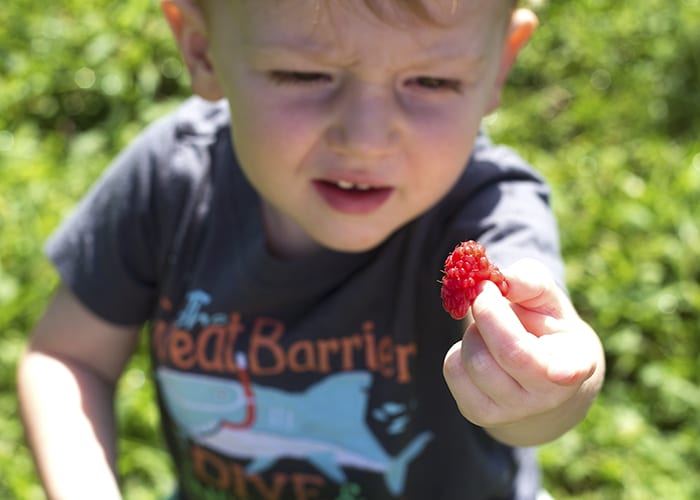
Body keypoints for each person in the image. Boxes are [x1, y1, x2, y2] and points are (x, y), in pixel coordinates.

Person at [17, 0, 605, 498]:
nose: (366, 139)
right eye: (303, 75)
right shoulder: (169, 183)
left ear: (499, 65)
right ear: (201, 49)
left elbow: (543, 400)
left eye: (433, 81)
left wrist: (546, 382)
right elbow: (70, 358)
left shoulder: (487, 211)